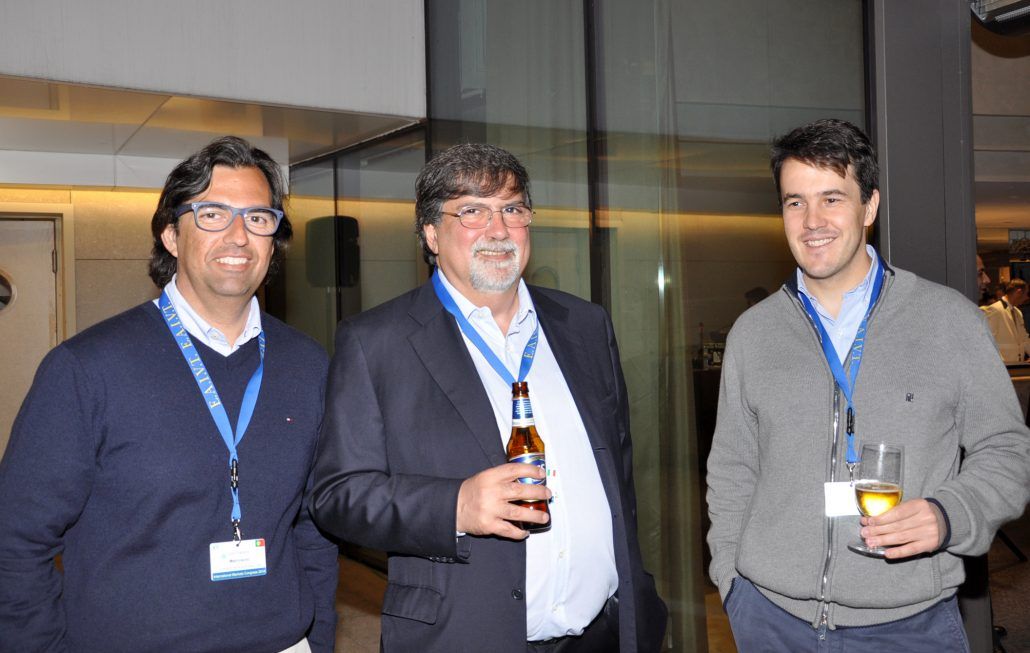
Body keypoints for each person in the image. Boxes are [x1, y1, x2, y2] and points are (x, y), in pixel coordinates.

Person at [310, 143, 667, 652]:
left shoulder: (586, 325)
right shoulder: (376, 343)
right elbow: (337, 496)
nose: (499, 230)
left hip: (603, 633)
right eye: (473, 211)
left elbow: (620, 477)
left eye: (513, 209)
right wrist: (455, 506)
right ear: (431, 233)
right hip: (465, 635)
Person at [0, 136, 339, 652]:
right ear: (171, 235)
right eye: (212, 214)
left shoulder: (308, 365)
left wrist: (317, 637)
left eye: (257, 218)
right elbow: (16, 540)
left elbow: (315, 524)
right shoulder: (86, 369)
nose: (238, 236)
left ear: (274, 239)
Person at [706, 118, 1030, 651]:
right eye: (795, 202)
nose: (812, 221)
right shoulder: (754, 333)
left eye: (832, 199)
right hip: (770, 619)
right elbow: (732, 469)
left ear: (870, 206)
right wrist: (733, 581)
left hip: (910, 626)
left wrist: (950, 514)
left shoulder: (947, 320)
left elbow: (1008, 450)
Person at [983, 278, 1030, 363]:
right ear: (1019, 292)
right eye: (1027, 294)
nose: (1027, 298)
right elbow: (987, 340)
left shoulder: (1018, 312)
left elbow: (1024, 338)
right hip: (1002, 365)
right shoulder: (995, 309)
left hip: (1017, 365)